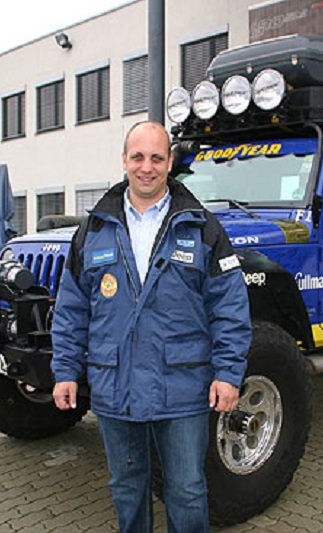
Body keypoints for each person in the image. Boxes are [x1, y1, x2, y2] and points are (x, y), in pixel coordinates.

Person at [50, 120, 252, 532]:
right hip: (115, 385)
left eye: (156, 158)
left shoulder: (202, 227)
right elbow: (72, 309)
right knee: (126, 487)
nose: (147, 167)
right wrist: (65, 372)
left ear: (170, 162)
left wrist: (229, 375)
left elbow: (230, 308)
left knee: (188, 490)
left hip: (181, 385)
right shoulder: (94, 229)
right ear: (124, 160)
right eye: (138, 157)